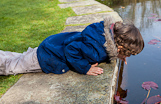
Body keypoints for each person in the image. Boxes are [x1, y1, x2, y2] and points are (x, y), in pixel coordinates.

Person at [0, 17, 144, 76]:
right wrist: (86, 68)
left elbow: (94, 47)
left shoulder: (103, 33)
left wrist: (117, 55)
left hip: (52, 45)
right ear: (120, 48)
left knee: (20, 58)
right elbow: (71, 50)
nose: (126, 57)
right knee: (12, 67)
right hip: (48, 56)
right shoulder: (97, 49)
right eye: (127, 54)